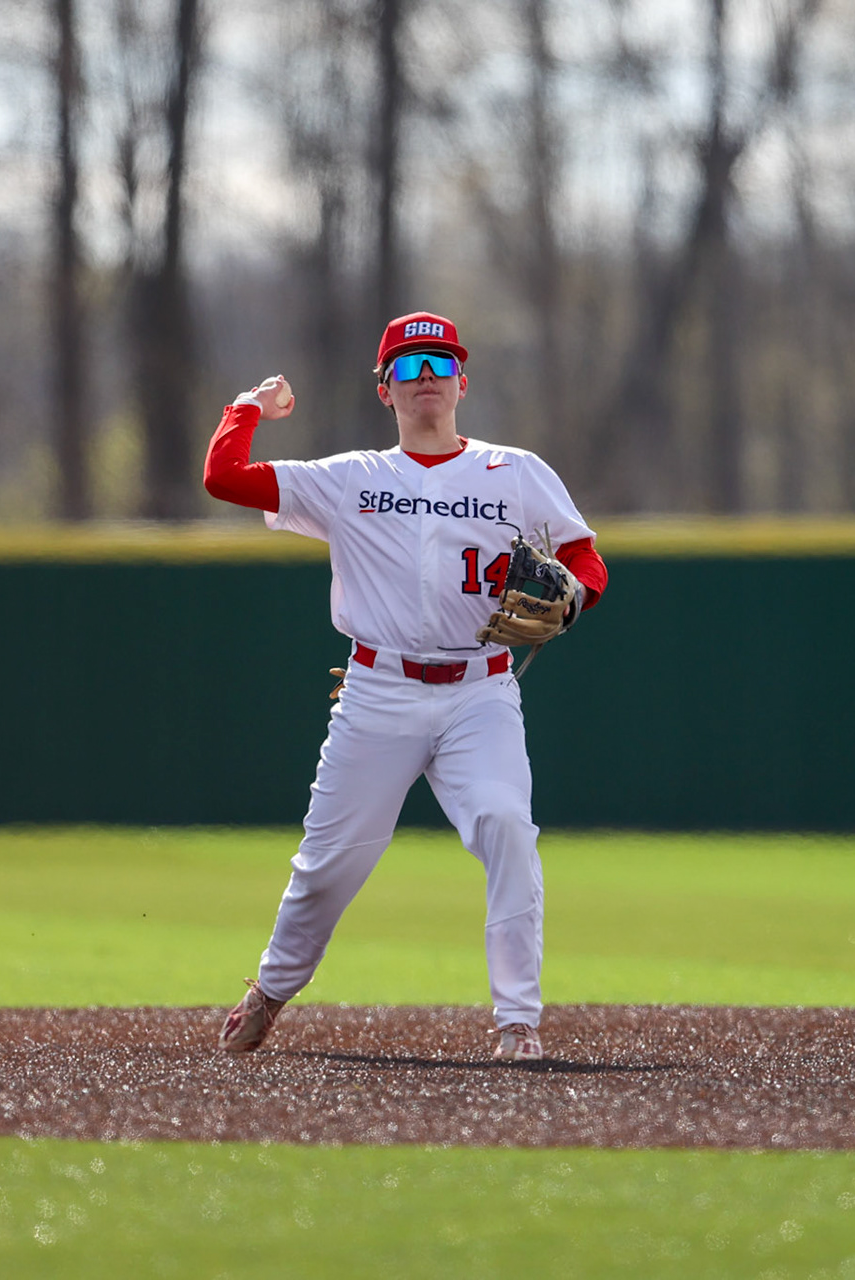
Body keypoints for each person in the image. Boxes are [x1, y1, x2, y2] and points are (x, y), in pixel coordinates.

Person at [202, 311, 608, 1062]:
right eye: (412, 368)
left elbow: (586, 558)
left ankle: (518, 1024)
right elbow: (223, 477)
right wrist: (249, 408)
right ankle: (270, 990)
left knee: (507, 828)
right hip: (376, 692)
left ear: (463, 383)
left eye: (442, 366)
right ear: (386, 389)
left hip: (480, 692)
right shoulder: (350, 479)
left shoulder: (514, 471)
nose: (429, 379)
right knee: (328, 868)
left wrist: (577, 597)